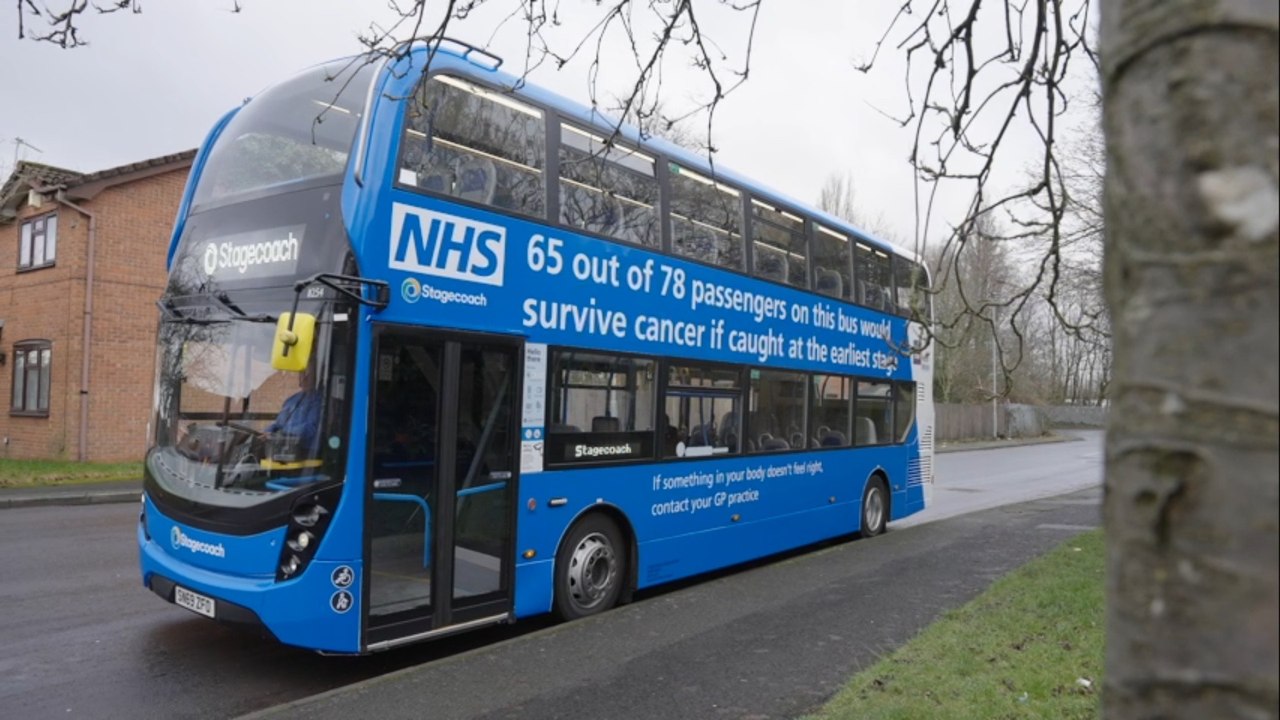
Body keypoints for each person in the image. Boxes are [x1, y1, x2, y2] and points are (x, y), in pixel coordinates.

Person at [265, 366, 324, 460]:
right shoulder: (291, 400)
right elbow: (279, 423)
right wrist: (268, 431)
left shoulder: (319, 400)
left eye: (308, 375)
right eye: (302, 374)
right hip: (282, 449)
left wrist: (284, 433)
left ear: (316, 377)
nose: (304, 378)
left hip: (306, 453)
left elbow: (311, 428)